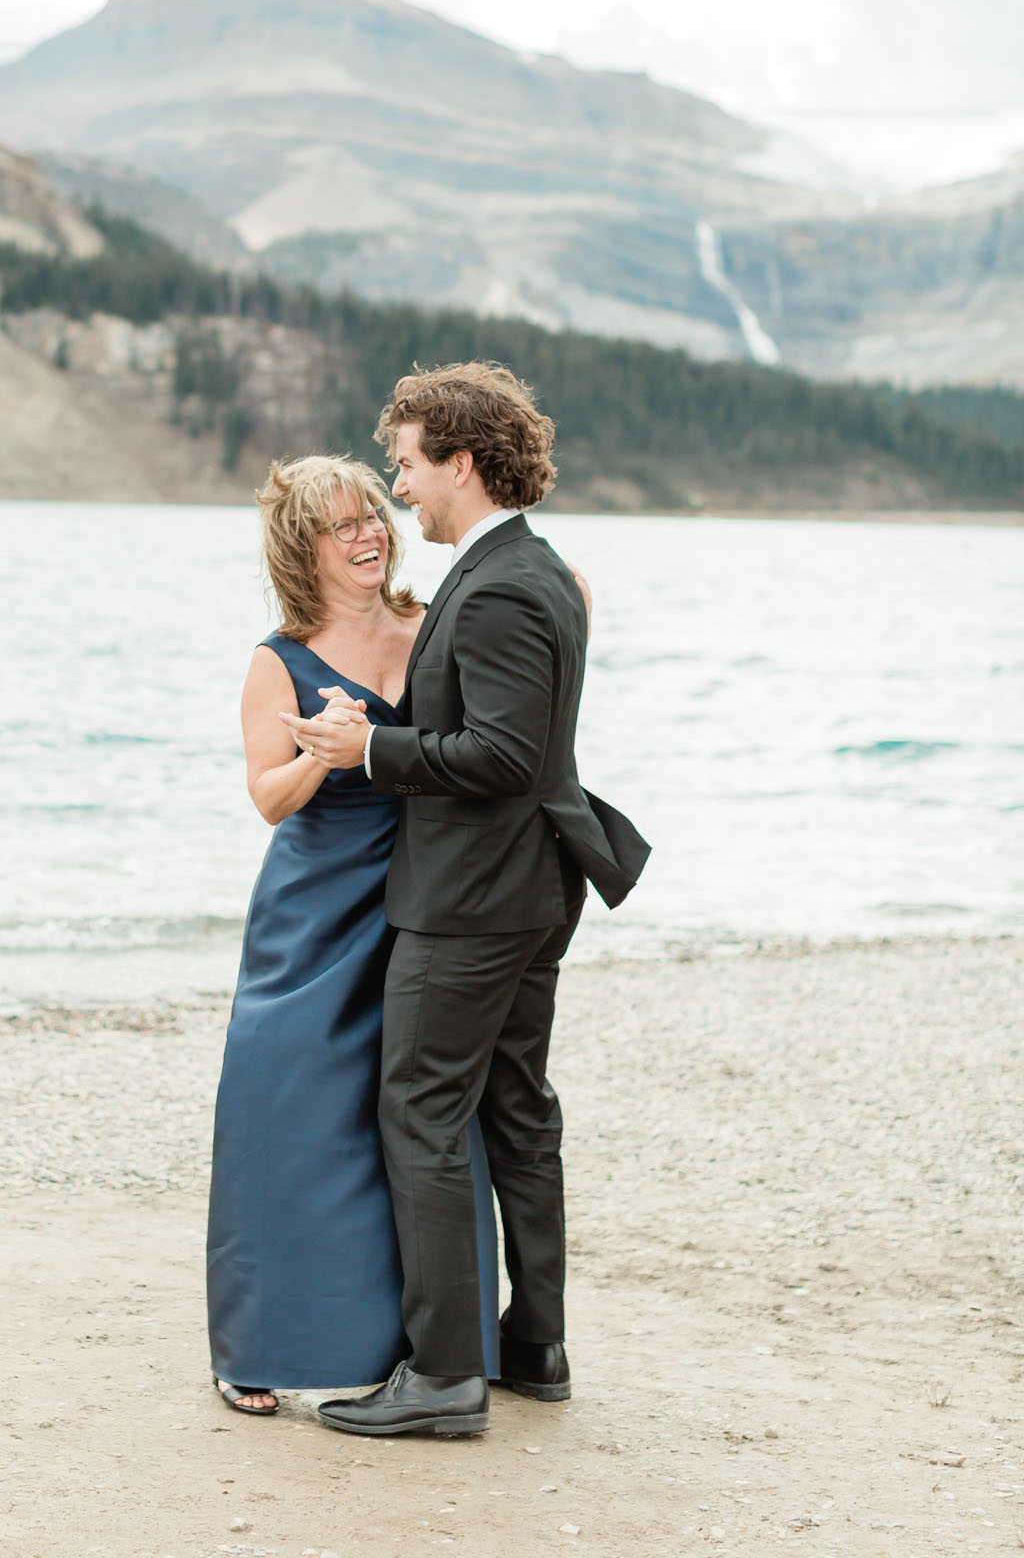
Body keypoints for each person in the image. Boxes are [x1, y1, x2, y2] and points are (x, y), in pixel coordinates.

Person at [285, 363, 649, 1439]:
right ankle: (533, 1344)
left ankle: (443, 1373)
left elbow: (499, 752)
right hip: (526, 886)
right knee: (516, 1110)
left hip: (475, 896)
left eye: (404, 462)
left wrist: (369, 747)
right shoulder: (533, 571)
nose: (399, 486)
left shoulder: (496, 586)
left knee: (421, 1108)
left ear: (460, 457)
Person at [206, 454, 504, 1416]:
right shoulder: (277, 658)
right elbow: (266, 800)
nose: (369, 534)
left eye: (374, 514)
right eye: (343, 526)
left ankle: (423, 1351)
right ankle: (254, 1345)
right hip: (311, 910)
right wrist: (320, 754)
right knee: (280, 1112)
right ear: (305, 547)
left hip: (422, 902)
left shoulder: (432, 629)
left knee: (414, 1124)